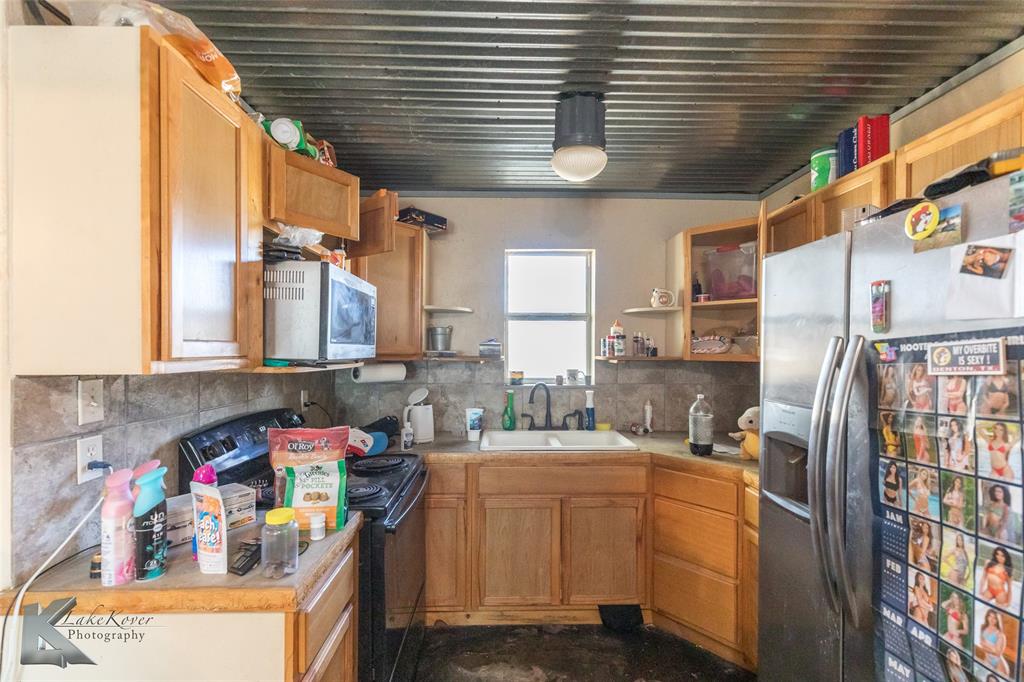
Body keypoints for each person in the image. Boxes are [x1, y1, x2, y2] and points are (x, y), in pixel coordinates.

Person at [977, 608, 1010, 676]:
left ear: (997, 620)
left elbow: (998, 653)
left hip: (998, 662)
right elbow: (981, 644)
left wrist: (986, 645)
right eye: (990, 616)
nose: (991, 619)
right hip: (987, 659)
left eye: (994, 618)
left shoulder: (1000, 634)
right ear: (987, 617)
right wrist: (992, 647)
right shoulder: (983, 628)